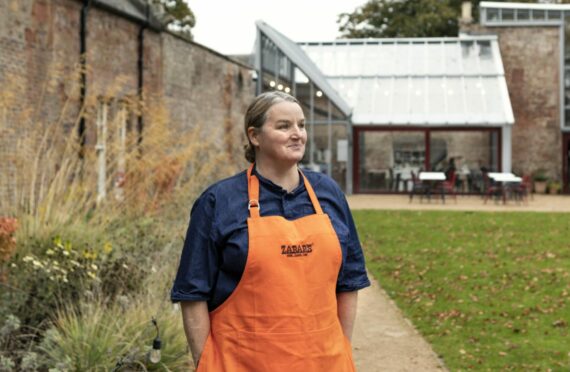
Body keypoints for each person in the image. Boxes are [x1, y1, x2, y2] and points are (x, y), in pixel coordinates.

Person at [170, 91, 370, 371]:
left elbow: (349, 281)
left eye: (301, 125)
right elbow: (192, 293)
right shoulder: (219, 201)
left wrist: (343, 349)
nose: (297, 134)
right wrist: (207, 364)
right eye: (284, 126)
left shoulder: (328, 194)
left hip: (325, 363)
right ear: (255, 136)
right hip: (242, 363)